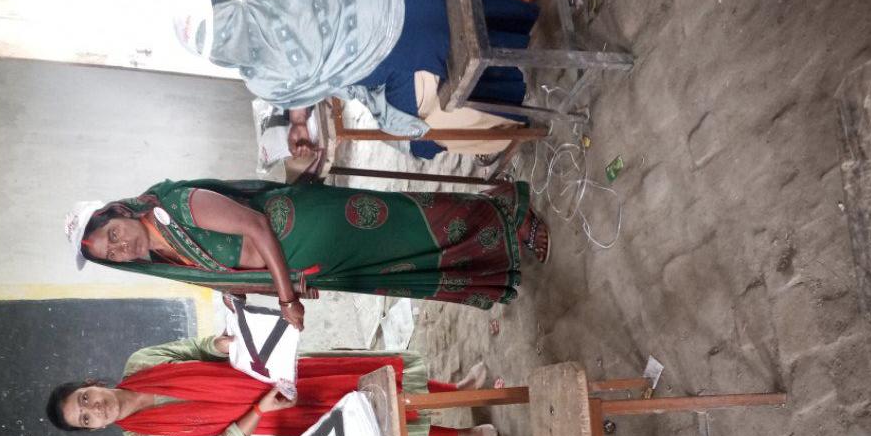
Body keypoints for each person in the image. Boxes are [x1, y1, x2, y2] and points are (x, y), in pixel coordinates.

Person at [63, 178, 548, 326]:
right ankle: (491, 245)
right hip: (302, 263)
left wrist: (286, 299)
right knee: (397, 264)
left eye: (112, 235)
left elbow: (253, 226)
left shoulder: (174, 205)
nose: (120, 247)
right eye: (111, 254)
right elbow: (223, 263)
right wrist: (234, 292)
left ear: (118, 212)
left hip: (305, 227)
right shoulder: (165, 260)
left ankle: (510, 209)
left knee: (410, 224)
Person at [174, 0, 542, 159]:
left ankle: (506, 120)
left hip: (412, 48)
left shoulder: (262, 83)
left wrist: (298, 120)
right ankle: (515, 29)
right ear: (220, 3)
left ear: (217, 58)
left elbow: (322, 85)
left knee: (417, 137)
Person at [46, 334, 500, 436]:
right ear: (94, 430)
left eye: (86, 398)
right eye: (86, 419)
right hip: (272, 420)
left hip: (271, 374)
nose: (95, 408)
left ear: (91, 382)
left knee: (362, 377)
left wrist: (223, 343)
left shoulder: (141, 360)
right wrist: (262, 409)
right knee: (369, 426)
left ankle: (460, 392)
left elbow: (197, 349)